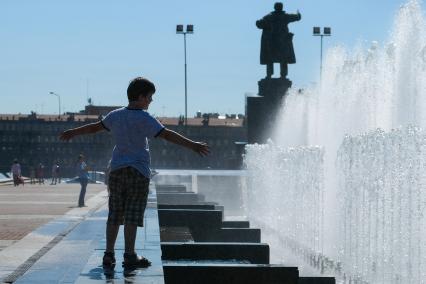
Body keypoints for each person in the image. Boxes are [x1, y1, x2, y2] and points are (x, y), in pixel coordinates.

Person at [60, 77, 210, 269]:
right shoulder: (145, 118)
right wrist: (193, 145)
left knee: (115, 213)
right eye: (149, 97)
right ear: (140, 97)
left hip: (116, 171)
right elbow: (167, 135)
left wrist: (73, 132)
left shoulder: (116, 115)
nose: (151, 101)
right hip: (138, 172)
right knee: (132, 213)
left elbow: (95, 128)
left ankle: (108, 254)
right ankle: (129, 255)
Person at [256, 2, 301, 78]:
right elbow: (297, 17)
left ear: (274, 7)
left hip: (271, 42)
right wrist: (298, 13)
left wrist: (259, 22)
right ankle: (283, 75)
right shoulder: (285, 16)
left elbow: (259, 24)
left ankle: (269, 75)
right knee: (283, 59)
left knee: (270, 59)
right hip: (282, 42)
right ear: (281, 8)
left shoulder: (268, 17)